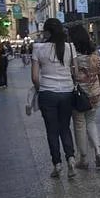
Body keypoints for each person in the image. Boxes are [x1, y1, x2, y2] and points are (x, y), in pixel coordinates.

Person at [31, 18, 77, 178]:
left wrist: (39, 90)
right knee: (65, 127)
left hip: (47, 93)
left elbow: (35, 77)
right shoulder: (70, 47)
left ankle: (57, 164)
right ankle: (71, 158)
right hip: (67, 91)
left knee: (52, 130)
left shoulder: (38, 48)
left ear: (47, 31)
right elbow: (75, 73)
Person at [68, 25, 100, 170]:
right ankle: (98, 151)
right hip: (95, 93)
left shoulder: (72, 56)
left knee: (79, 124)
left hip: (79, 95)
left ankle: (83, 158)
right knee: (91, 122)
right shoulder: (96, 55)